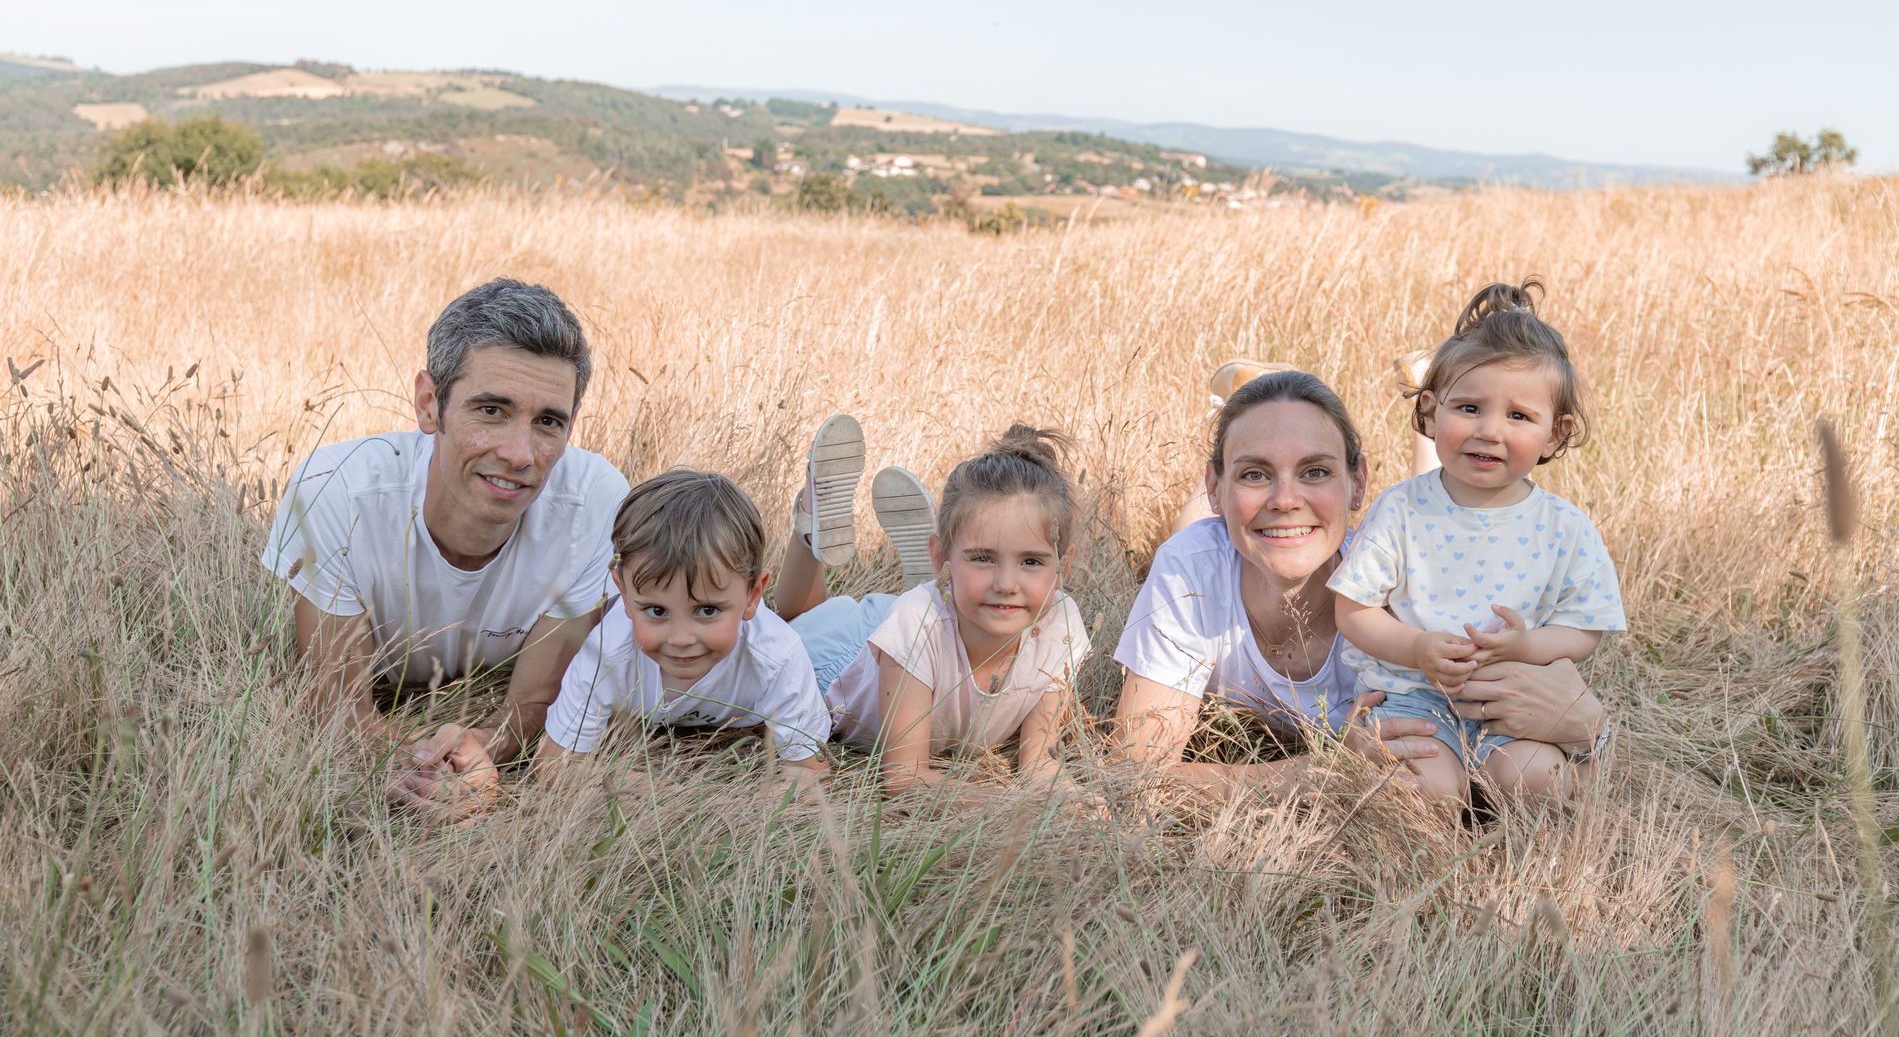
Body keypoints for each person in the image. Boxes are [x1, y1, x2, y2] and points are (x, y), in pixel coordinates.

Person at [1112, 363, 1608, 802]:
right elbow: (1134, 773)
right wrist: (1324, 772)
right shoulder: (1190, 570)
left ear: (1359, 483)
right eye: (1254, 473)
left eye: (1316, 470)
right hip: (1212, 537)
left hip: (1386, 533)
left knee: (1425, 510)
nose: (1285, 498)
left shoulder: (1402, 585)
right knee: (1197, 529)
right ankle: (1256, 394)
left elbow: (1558, 710)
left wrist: (1590, 729)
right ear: (1215, 485)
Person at [259, 278, 628, 808]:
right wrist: (424, 765)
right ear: (430, 404)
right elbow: (337, 708)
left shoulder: (594, 498)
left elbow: (536, 699)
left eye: (548, 422)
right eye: (491, 411)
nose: (521, 454)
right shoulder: (334, 487)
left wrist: (480, 751)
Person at [1330, 280, 1625, 801]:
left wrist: (1527, 645)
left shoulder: (1563, 526)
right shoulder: (1401, 510)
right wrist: (1418, 647)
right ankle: (1436, 848)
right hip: (1413, 697)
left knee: (1538, 778)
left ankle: (1526, 869)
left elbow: (1585, 627)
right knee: (1427, 790)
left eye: (1518, 416)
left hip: (1514, 700)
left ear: (1555, 434)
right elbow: (1353, 610)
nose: (1489, 430)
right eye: (1468, 408)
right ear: (1429, 411)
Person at [771, 416, 1092, 796]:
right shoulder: (917, 623)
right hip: (839, 664)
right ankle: (811, 527)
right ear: (939, 556)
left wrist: (1070, 801)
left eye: (1032, 562)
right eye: (983, 558)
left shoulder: (1061, 623)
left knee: (920, 618)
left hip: (924, 624)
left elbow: (1038, 761)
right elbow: (905, 779)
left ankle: (939, 590)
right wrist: (1010, 809)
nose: (1007, 585)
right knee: (790, 625)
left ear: (1064, 566)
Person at [537, 470, 830, 770]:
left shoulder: (778, 658)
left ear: (753, 596)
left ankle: (809, 528)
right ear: (624, 594)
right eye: (657, 611)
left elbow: (809, 772)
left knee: (821, 638)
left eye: (706, 611)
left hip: (794, 659)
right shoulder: (606, 654)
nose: (680, 638)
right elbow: (554, 763)